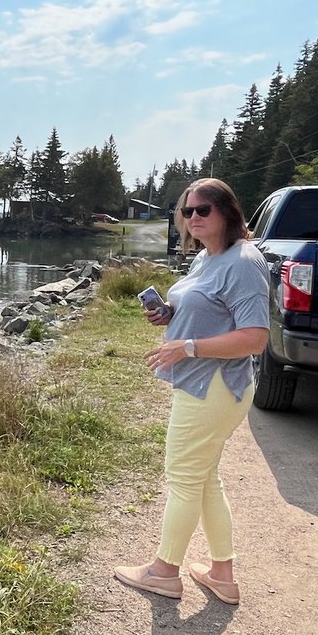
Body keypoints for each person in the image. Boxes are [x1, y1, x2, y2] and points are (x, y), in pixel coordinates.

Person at [114, 178, 269, 605]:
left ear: (227, 212)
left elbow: (255, 338)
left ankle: (164, 572)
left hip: (214, 387)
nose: (194, 217)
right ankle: (222, 573)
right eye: (187, 211)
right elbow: (208, 310)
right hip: (204, 384)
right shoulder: (207, 257)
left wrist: (187, 346)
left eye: (204, 210)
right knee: (204, 480)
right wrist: (170, 315)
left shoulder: (243, 262)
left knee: (183, 478)